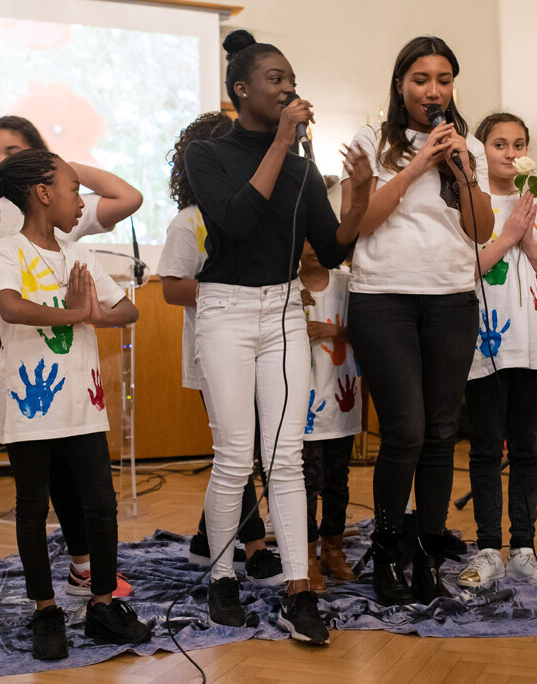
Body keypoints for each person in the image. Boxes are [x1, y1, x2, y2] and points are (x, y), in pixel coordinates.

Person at [183, 29, 371, 643]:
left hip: (285, 309)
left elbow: (332, 249)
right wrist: (285, 142)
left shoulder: (301, 168)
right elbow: (236, 221)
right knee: (236, 455)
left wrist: (360, 196)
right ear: (241, 89)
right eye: (275, 78)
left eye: (292, 78)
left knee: (285, 457)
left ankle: (298, 590)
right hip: (225, 310)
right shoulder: (207, 155)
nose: (289, 87)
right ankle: (221, 579)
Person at [0, 148, 151, 659]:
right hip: (30, 407)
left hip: (83, 404)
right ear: (43, 193)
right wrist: (75, 313)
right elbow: (12, 307)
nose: (81, 201)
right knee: (32, 507)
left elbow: (126, 310)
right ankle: (46, 610)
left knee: (100, 504)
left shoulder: (77, 254)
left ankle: (102, 604)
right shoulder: (6, 251)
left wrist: (97, 314)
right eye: (72, 189)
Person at [341, 35, 494, 607]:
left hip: (451, 298)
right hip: (383, 298)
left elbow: (480, 229)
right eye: (421, 79)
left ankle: (428, 551)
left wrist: (462, 170)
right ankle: (387, 549)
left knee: (439, 433)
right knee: (404, 429)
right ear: (400, 84)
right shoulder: (371, 140)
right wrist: (416, 165)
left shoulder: (466, 145)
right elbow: (360, 224)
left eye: (444, 80)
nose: (434, 91)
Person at [158, 111, 283, 586]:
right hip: (215, 353)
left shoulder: (260, 214)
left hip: (265, 347)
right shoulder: (189, 221)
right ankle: (254, 549)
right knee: (238, 453)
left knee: (253, 449)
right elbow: (171, 287)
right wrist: (233, 288)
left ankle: (205, 540)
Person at [458, 113, 537, 588]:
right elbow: (463, 273)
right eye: (499, 143)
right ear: (480, 150)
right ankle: (488, 549)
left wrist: (530, 243)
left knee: (527, 450)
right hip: (487, 345)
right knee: (486, 449)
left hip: (534, 346)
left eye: (518, 143)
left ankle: (524, 547)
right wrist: (506, 238)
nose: (510, 152)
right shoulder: (470, 207)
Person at [298, 240, 362, 592]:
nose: (312, 247)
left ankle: (333, 551)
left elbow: (370, 332)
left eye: (317, 237)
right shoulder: (285, 286)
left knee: (338, 480)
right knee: (306, 482)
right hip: (302, 402)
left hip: (341, 398)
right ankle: (306, 557)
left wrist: (332, 330)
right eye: (304, 239)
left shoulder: (347, 283)